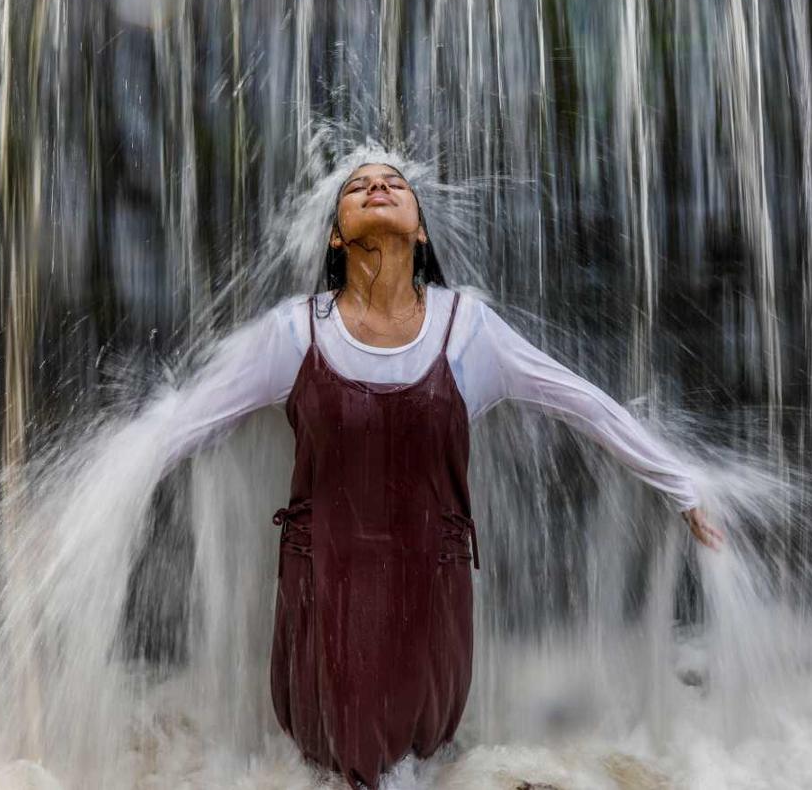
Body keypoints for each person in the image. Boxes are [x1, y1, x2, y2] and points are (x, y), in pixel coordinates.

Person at [142, 162, 725, 788]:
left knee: (411, 761)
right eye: (357, 187)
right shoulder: (293, 332)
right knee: (346, 760)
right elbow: (191, 420)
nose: (377, 188)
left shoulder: (469, 331)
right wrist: (108, 502)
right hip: (324, 590)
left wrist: (680, 485)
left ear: (420, 232)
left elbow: (581, 403)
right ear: (336, 236)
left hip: (432, 589)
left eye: (394, 184)